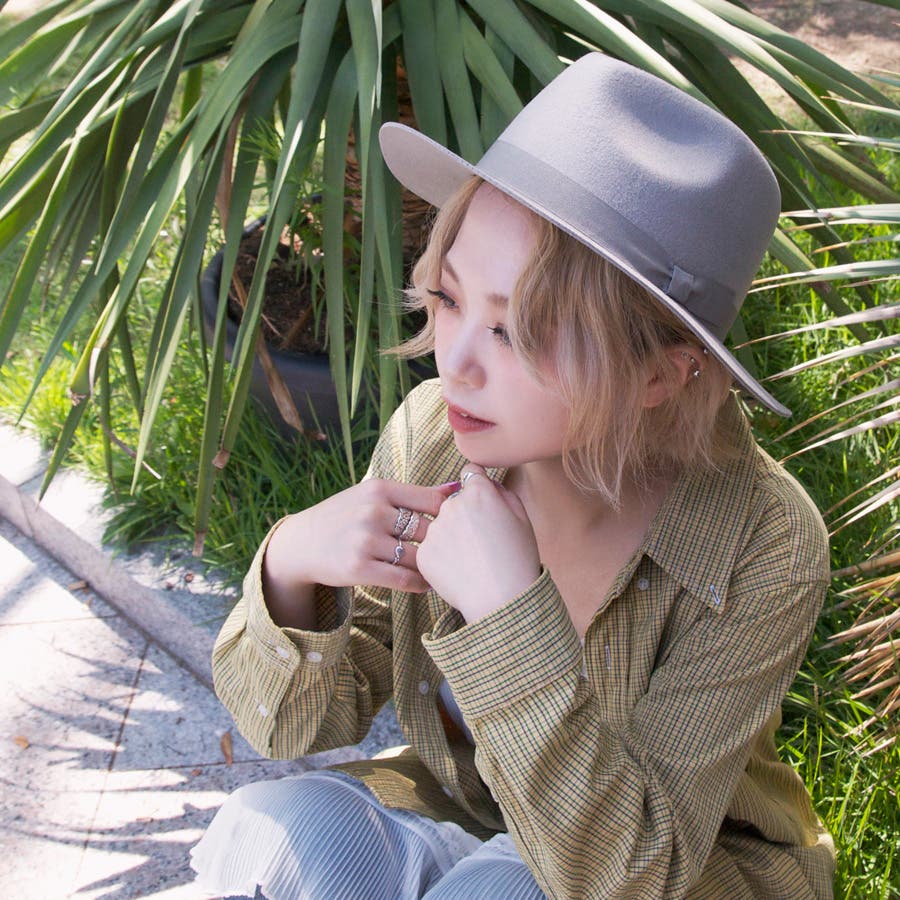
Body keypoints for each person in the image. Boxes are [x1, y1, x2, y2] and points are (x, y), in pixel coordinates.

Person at [190, 53, 835, 898]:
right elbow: (294, 726)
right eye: (450, 298)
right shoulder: (434, 436)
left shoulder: (764, 544)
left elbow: (629, 874)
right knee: (299, 831)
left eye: (516, 333)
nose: (453, 363)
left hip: (672, 866)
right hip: (469, 808)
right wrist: (291, 571)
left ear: (658, 373)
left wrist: (508, 614)